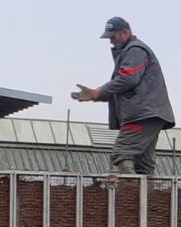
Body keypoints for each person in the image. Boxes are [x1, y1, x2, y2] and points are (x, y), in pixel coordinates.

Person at [71, 17, 175, 175]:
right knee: (143, 163)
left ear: (125, 32)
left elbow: (128, 78)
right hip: (150, 114)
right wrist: (97, 95)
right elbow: (126, 84)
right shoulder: (132, 51)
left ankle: (127, 193)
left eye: (113, 36)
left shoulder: (135, 50)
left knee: (122, 152)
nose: (111, 41)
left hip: (142, 114)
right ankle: (145, 196)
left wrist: (97, 92)